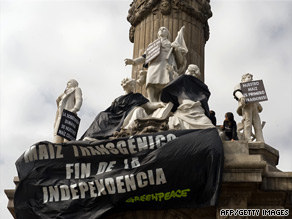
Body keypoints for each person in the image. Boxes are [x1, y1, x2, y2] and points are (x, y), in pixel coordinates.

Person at [80, 78, 164, 141]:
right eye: (131, 84)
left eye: (133, 85)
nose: (132, 86)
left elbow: (148, 105)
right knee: (102, 115)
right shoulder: (117, 99)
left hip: (126, 115)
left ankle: (118, 134)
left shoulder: (137, 96)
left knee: (138, 110)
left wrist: (159, 104)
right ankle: (94, 136)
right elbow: (111, 110)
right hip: (116, 117)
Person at [125, 26, 187, 102]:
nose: (161, 30)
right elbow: (144, 57)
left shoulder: (171, 45)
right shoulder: (153, 45)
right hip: (154, 65)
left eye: (164, 29)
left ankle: (165, 100)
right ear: (158, 34)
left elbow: (180, 61)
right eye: (160, 29)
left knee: (167, 81)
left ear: (167, 34)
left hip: (166, 64)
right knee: (150, 80)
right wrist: (133, 61)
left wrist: (177, 50)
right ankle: (151, 100)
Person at [161, 64, 214, 130]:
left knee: (210, 128)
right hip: (183, 112)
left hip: (196, 112)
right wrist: (172, 73)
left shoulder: (195, 86)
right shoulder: (197, 86)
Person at [233, 73, 264, 142]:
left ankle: (260, 139)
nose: (251, 79)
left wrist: (259, 105)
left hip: (254, 106)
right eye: (249, 77)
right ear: (243, 79)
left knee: (257, 123)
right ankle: (247, 138)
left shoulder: (253, 87)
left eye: (251, 78)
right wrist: (241, 96)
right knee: (247, 122)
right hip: (246, 106)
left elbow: (255, 96)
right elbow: (236, 92)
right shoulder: (239, 85)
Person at [54, 79, 83, 143]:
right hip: (61, 115)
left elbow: (79, 99)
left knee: (67, 134)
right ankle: (56, 147)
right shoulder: (64, 93)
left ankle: (66, 147)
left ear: (74, 83)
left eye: (69, 82)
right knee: (57, 132)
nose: (67, 84)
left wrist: (75, 109)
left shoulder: (76, 89)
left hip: (69, 113)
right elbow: (58, 100)